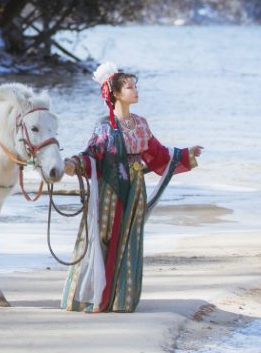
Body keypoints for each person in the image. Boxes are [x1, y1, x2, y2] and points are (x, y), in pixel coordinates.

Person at [60, 61, 204, 313]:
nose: (135, 91)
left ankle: (121, 299)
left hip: (135, 189)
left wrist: (184, 154)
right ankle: (95, 297)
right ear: (115, 93)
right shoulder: (104, 126)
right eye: (129, 87)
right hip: (110, 190)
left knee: (130, 239)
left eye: (135, 86)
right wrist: (74, 163)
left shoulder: (141, 123)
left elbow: (157, 154)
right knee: (103, 237)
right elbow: (93, 154)